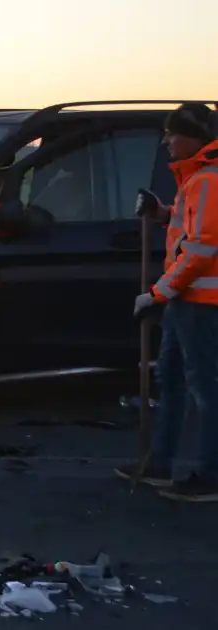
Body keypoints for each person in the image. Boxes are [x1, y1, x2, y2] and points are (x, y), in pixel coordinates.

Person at [117, 103, 218, 501]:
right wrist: (161, 212)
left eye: (172, 133)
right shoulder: (196, 179)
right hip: (187, 301)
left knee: (205, 389)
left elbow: (201, 248)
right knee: (172, 378)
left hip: (203, 303)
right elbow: (189, 225)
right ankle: (161, 461)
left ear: (193, 136)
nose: (165, 140)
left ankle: (211, 475)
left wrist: (157, 293)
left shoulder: (209, 180)